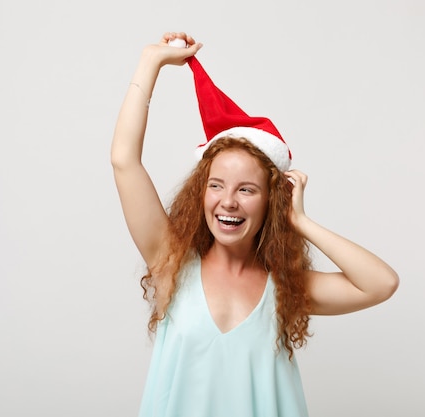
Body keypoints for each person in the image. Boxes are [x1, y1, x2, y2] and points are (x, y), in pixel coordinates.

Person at [111, 31, 399, 417]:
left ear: (270, 201)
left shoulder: (286, 287)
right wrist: (151, 62)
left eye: (246, 189)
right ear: (201, 193)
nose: (227, 201)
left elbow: (382, 283)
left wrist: (301, 222)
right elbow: (124, 160)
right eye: (216, 185)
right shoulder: (170, 263)